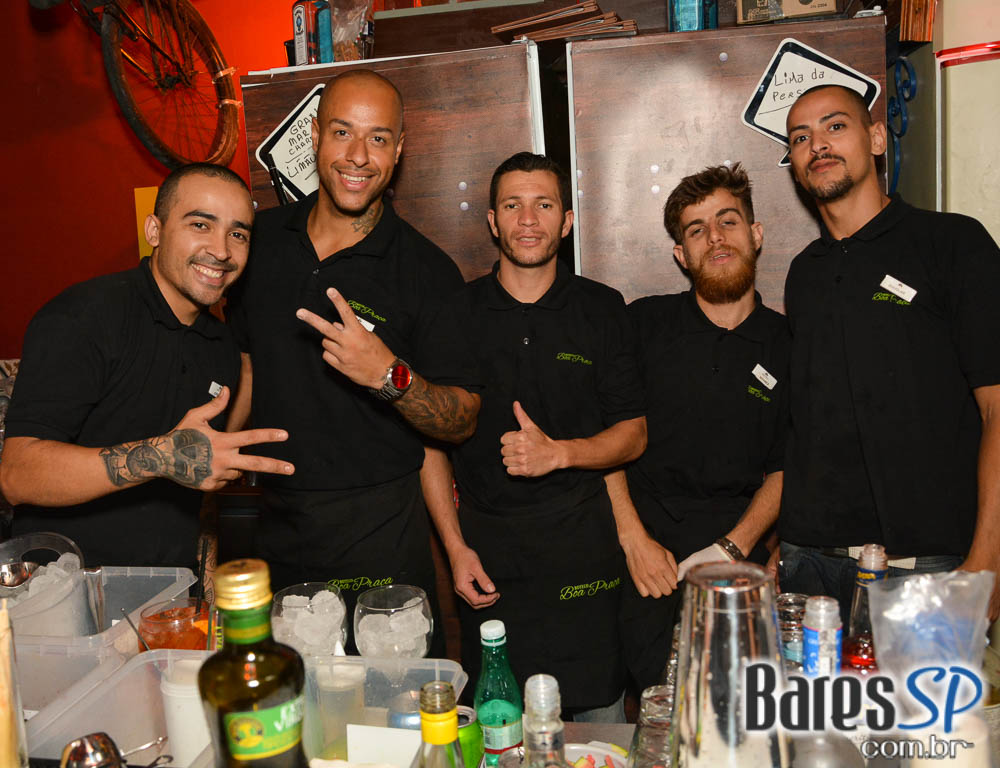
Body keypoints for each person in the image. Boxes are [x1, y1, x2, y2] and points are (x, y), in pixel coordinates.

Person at [224, 70, 481, 653]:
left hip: (382, 535)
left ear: (399, 149)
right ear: (315, 136)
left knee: (399, 701)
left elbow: (461, 419)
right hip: (278, 529)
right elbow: (249, 365)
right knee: (294, 699)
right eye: (342, 132)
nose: (358, 156)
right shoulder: (258, 243)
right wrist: (209, 464)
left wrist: (389, 377)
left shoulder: (427, 272)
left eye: (379, 138)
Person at [423, 152, 647, 719]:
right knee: (499, 723)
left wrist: (559, 454)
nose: (528, 219)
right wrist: (455, 549)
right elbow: (430, 446)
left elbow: (633, 434)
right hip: (488, 554)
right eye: (513, 205)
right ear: (493, 221)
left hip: (584, 552)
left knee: (599, 724)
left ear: (566, 221)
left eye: (543, 205)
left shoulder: (602, 308)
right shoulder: (454, 312)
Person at [779, 83, 1000, 622]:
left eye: (836, 126)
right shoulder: (803, 273)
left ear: (877, 139)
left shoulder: (953, 244)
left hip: (925, 566)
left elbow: (997, 407)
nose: (818, 144)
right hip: (809, 564)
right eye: (801, 137)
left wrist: (988, 561)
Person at [0, 163, 294, 568]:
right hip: (66, 589)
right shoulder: (85, 316)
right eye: (200, 225)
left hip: (170, 592)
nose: (222, 250)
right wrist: (161, 456)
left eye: (238, 234)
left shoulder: (220, 345)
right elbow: (17, 475)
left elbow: (196, 482)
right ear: (154, 231)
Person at [611, 163, 790, 693]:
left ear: (756, 234)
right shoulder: (642, 325)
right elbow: (605, 439)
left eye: (728, 221)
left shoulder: (791, 344)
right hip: (647, 562)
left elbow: (789, 465)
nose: (715, 237)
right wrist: (633, 540)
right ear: (680, 254)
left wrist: (730, 550)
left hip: (739, 560)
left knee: (737, 710)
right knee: (656, 710)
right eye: (697, 230)